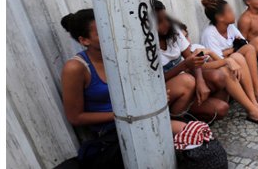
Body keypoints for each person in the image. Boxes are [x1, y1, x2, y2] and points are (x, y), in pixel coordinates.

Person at [59, 9, 203, 167]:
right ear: (84, 40)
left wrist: (152, 102)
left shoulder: (122, 56)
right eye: (101, 32)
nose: (111, 35)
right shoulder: (76, 68)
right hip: (112, 130)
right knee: (184, 136)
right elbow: (75, 117)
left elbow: (144, 86)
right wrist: (126, 114)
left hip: (140, 116)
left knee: (194, 134)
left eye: (110, 28)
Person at [153, 1, 258, 125]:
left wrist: (201, 81)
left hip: (191, 79)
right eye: (159, 22)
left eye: (166, 19)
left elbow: (193, 60)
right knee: (188, 80)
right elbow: (158, 80)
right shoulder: (146, 47)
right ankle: (175, 121)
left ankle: (253, 106)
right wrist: (185, 65)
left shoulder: (173, 32)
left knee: (221, 104)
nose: (166, 24)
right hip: (171, 91)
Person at [199, 0, 258, 106]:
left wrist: (229, 51)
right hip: (224, 67)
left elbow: (243, 43)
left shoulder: (230, 27)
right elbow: (218, 61)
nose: (233, 13)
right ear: (220, 17)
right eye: (230, 11)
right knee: (247, 50)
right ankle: (257, 92)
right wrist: (232, 52)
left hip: (235, 59)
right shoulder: (209, 34)